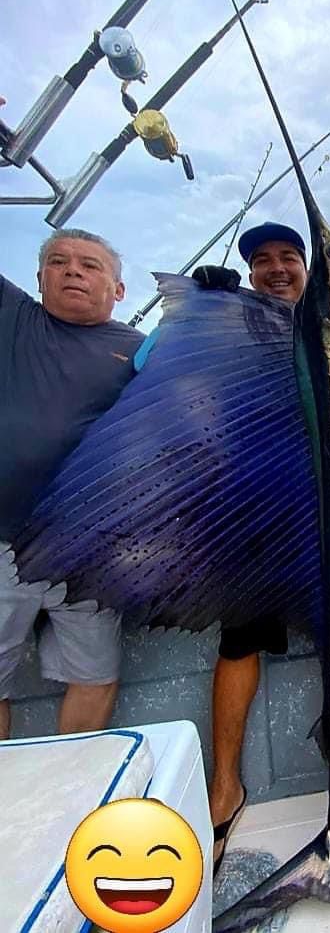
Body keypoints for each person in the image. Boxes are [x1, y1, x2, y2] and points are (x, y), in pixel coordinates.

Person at [198, 223, 330, 874]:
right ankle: (224, 786)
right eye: (261, 261)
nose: (276, 268)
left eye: (290, 256)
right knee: (239, 643)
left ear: (309, 270)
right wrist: (205, 307)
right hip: (258, 515)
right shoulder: (231, 320)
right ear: (249, 272)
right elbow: (152, 369)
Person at [0, 228, 145, 740]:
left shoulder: (141, 352)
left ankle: (68, 789)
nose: (73, 272)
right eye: (58, 263)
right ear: (39, 278)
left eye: (90, 265)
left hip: (89, 552)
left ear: (118, 289)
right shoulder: (13, 317)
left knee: (96, 677)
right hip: (3, 541)